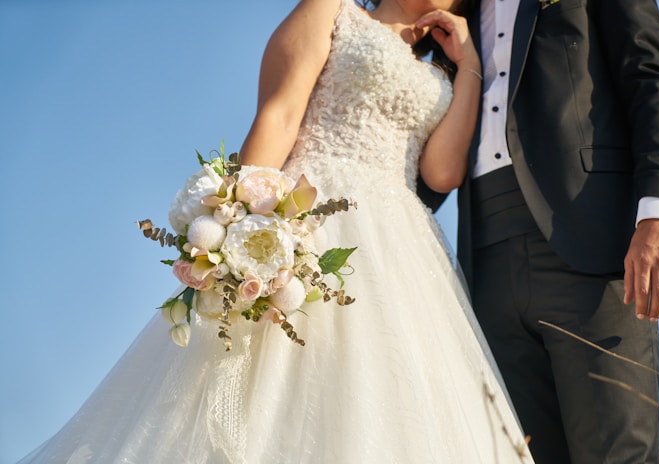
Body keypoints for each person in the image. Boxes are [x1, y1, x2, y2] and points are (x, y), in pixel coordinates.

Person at [19, 1, 535, 462]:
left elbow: (441, 172)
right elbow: (279, 114)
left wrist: (469, 66)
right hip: (309, 217)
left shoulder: (445, 75)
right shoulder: (331, 10)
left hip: (398, 247)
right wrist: (237, 229)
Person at [419, 0, 659, 462]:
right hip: (483, 265)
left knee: (618, 454)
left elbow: (649, 77)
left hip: (593, 243)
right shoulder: (453, 9)